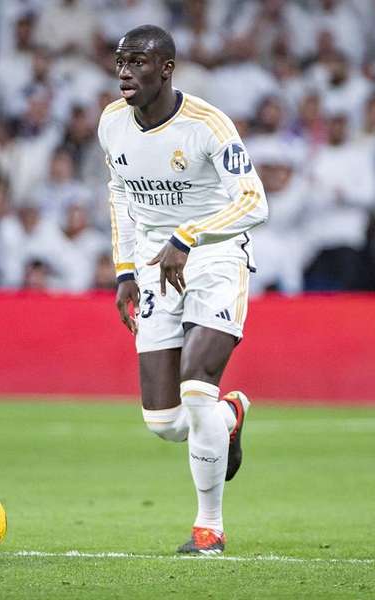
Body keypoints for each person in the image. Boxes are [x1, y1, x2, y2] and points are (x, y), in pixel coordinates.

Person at [98, 25, 268, 554]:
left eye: (138, 62)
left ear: (166, 68)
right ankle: (230, 416)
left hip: (214, 256)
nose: (125, 72)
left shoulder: (208, 124)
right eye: (120, 61)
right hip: (153, 264)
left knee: (197, 388)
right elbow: (120, 196)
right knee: (166, 422)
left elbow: (255, 202)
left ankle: (208, 529)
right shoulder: (111, 123)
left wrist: (187, 236)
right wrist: (125, 270)